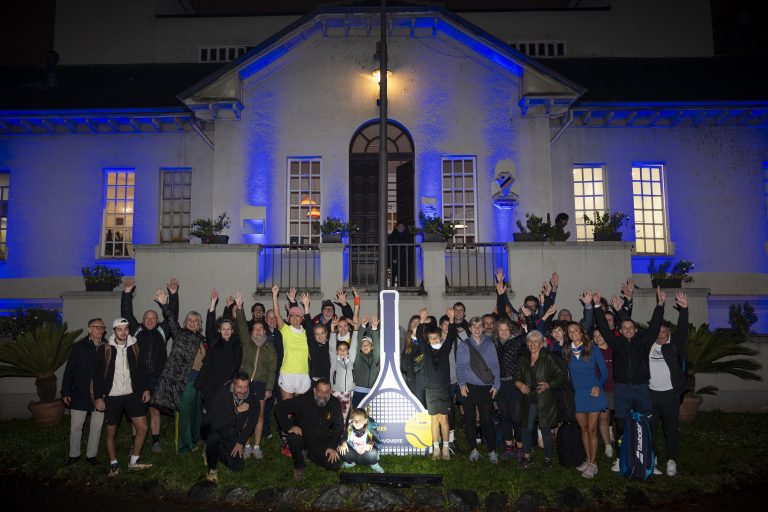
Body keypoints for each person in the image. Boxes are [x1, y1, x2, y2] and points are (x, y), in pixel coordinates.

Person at [594, 286, 665, 472]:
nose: (627, 330)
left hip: (641, 388)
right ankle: (620, 459)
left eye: (630, 328)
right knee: (621, 426)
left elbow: (655, 327)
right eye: (624, 327)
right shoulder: (615, 343)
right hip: (622, 390)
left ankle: (651, 461)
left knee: (647, 425)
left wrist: (660, 305)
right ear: (620, 330)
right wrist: (597, 307)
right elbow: (603, 327)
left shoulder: (644, 342)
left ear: (635, 330)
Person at [121, 277, 179, 452]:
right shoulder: (136, 329)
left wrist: (173, 295)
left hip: (158, 378)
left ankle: (155, 441)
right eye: (147, 318)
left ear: (158, 320)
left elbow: (173, 315)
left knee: (154, 411)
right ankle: (134, 443)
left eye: (153, 318)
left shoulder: (163, 330)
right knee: (137, 413)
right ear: (142, 320)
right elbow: (126, 313)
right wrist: (127, 293)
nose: (150, 320)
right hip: (137, 379)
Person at [93, 318, 152, 476]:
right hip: (112, 397)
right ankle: (114, 464)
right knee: (111, 431)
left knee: (143, 427)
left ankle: (134, 461)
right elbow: (97, 375)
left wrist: (146, 388)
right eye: (119, 329)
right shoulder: (105, 349)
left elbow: (142, 370)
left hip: (132, 395)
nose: (123, 332)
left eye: (126, 329)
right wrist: (98, 397)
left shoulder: (135, 346)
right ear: (114, 331)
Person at [150, 289, 205, 454]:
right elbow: (171, 321)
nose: (193, 322)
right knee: (182, 413)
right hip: (183, 381)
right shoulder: (180, 334)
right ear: (186, 322)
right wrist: (165, 305)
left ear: (199, 324)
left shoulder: (201, 340)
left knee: (193, 413)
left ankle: (192, 441)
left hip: (197, 381)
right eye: (190, 320)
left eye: (196, 320)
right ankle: (182, 445)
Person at [233, 292, 277, 460]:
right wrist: (240, 307)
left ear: (264, 330)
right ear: (252, 331)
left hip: (260, 384)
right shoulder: (247, 342)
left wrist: (269, 388)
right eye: (255, 329)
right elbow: (241, 326)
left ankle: (257, 446)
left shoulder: (269, 347)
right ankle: (246, 444)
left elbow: (272, 369)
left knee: (259, 415)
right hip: (245, 383)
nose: (257, 331)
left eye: (260, 329)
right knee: (245, 414)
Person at [649, 291, 688, 477]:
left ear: (668, 333)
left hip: (670, 395)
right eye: (657, 332)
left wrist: (684, 310)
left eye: (663, 332)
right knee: (651, 429)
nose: (660, 335)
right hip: (651, 394)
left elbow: (683, 330)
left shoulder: (674, 345)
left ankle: (671, 460)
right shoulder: (648, 345)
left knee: (670, 429)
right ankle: (653, 457)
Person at [273, 378, 343, 481]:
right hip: (303, 436)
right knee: (293, 438)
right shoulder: (304, 399)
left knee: (334, 465)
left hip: (321, 440)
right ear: (314, 390)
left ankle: (310, 454)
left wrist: (332, 447)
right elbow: (279, 407)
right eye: (320, 391)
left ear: (330, 392)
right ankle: (299, 465)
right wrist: (288, 427)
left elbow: (339, 427)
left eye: (326, 392)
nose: (323, 395)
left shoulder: (334, 403)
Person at [564, 322, 608, 479]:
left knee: (592, 429)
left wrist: (598, 386)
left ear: (581, 333)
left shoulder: (592, 349)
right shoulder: (567, 351)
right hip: (577, 396)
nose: (573, 333)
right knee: (583, 429)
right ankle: (588, 460)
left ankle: (594, 464)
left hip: (593, 393)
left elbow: (604, 372)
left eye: (576, 330)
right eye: (570, 331)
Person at [515, 330, 564, 469]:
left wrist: (549, 384)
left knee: (545, 429)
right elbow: (516, 376)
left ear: (541, 343)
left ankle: (548, 459)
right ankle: (526, 457)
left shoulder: (548, 357)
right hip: (528, 399)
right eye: (530, 341)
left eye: (536, 341)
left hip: (545, 399)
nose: (532, 344)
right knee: (527, 428)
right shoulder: (524, 359)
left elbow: (561, 375)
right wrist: (519, 384)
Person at [61, 318, 107, 466]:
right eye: (97, 327)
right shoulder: (79, 347)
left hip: (100, 394)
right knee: (76, 426)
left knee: (97, 425)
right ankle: (74, 454)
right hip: (80, 392)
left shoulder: (107, 346)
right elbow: (69, 370)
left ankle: (91, 455)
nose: (101, 330)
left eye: (102, 327)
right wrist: (65, 391)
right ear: (89, 329)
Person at [456, 316, 501, 463]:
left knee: (487, 420)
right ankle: (473, 450)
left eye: (479, 326)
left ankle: (492, 451)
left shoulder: (489, 345)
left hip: (485, 387)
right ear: (470, 328)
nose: (477, 329)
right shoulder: (464, 345)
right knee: (469, 420)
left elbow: (495, 365)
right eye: (474, 326)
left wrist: (496, 385)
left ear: (483, 328)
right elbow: (460, 366)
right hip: (468, 386)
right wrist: (462, 384)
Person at [204, 372, 260, 484]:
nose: (243, 391)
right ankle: (212, 469)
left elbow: (252, 422)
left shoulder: (252, 396)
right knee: (213, 437)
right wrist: (236, 411)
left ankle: (211, 450)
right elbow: (215, 423)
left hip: (231, 433)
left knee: (238, 466)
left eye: (245, 387)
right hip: (213, 428)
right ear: (233, 385)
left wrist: (240, 442)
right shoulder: (222, 394)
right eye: (239, 387)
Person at [196, 289, 243, 410]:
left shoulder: (236, 345)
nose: (226, 331)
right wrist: (213, 303)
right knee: (211, 414)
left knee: (226, 414)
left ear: (232, 330)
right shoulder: (214, 341)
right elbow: (209, 325)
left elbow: (237, 367)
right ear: (219, 330)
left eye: (228, 329)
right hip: (211, 386)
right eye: (223, 329)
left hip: (228, 386)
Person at [419, 308, 454, 460]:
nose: (434, 340)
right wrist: (421, 321)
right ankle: (436, 449)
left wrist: (451, 319)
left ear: (440, 338)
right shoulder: (426, 350)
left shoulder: (445, 349)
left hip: (443, 389)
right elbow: (419, 337)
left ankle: (445, 448)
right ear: (428, 340)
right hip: (430, 390)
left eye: (436, 338)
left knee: (443, 419)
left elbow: (451, 336)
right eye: (431, 338)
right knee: (434, 419)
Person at [272, 285, 310, 400]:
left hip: (303, 375)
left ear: (302, 318)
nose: (295, 318)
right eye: (292, 316)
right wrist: (275, 295)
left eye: (298, 316)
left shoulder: (307, 333)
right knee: (288, 408)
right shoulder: (286, 330)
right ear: (288, 319)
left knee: (302, 409)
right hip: (287, 375)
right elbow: (277, 315)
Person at [338, 408, 385, 473]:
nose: (357, 423)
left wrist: (371, 443)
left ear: (365, 421)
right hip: (354, 453)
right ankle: (350, 463)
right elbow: (344, 437)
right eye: (355, 420)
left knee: (373, 453)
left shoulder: (371, 430)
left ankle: (374, 464)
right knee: (341, 449)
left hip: (366, 454)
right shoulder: (350, 428)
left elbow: (379, 445)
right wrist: (344, 442)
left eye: (360, 420)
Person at [351, 315, 380, 408]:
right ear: (360, 347)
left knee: (370, 414)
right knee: (357, 414)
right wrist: (362, 326)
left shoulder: (375, 358)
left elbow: (377, 346)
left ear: (372, 347)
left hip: (372, 392)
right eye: (363, 344)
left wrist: (374, 329)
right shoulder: (357, 358)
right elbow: (357, 341)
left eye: (368, 344)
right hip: (358, 392)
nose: (365, 346)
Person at [388, 221, 413, 287]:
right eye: (399, 227)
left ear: (404, 228)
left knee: (402, 272)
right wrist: (393, 258)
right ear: (397, 227)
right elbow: (392, 248)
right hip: (395, 257)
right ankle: (392, 285)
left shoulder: (406, 235)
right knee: (394, 272)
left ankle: (401, 285)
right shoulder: (393, 235)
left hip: (403, 257)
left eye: (402, 227)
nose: (401, 228)